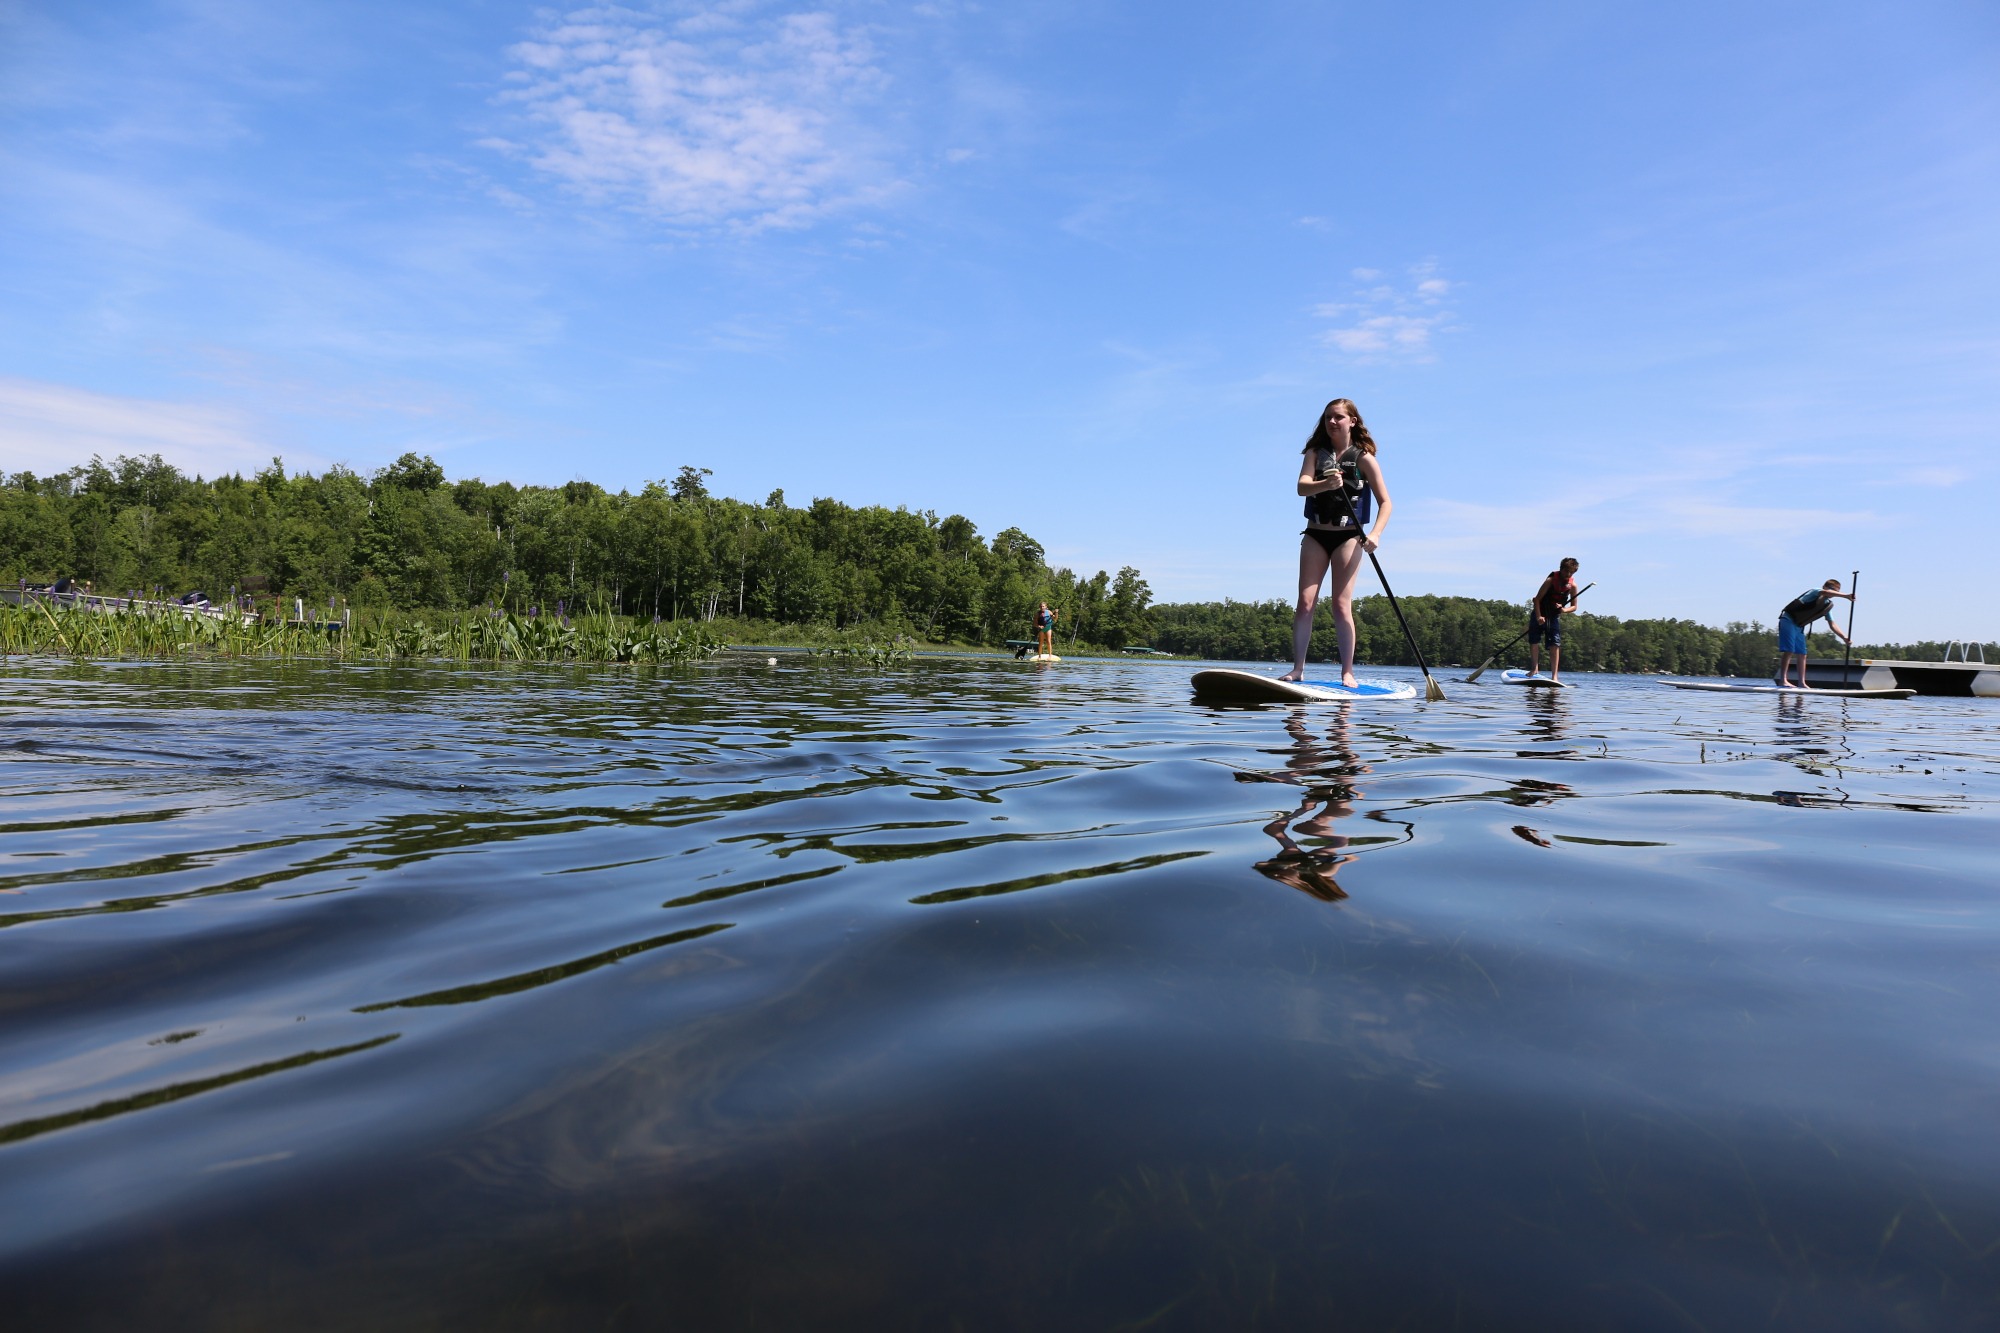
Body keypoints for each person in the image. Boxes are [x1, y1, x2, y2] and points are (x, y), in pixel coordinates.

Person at [1283, 398, 1392, 687]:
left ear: (1352, 422)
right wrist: (1326, 484)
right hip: (1316, 534)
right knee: (1305, 603)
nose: (1332, 422)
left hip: (1349, 537)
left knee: (1341, 605)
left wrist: (1376, 534)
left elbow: (1386, 503)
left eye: (1339, 417)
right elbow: (1301, 487)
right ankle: (1298, 669)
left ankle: (1347, 672)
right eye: (1328, 417)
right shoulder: (1315, 453)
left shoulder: (1364, 458)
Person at [1776, 579, 1854, 687]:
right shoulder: (1816, 591)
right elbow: (1825, 592)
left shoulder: (1826, 605)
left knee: (1802, 654)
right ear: (1825, 587)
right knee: (1789, 650)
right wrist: (1846, 596)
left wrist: (1844, 637)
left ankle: (1801, 682)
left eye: (1835, 591)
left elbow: (1832, 624)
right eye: (1832, 590)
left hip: (1799, 626)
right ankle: (1783, 680)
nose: (1833, 594)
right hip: (1788, 620)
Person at [1527, 558, 1581, 682]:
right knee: (1534, 640)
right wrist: (1538, 616)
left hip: (1553, 616)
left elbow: (1574, 607)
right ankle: (1534, 668)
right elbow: (1536, 599)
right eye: (1566, 572)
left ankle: (1554, 676)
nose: (1568, 575)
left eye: (1571, 573)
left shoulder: (1572, 585)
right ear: (1561, 569)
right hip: (1540, 612)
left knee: (1555, 644)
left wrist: (1563, 610)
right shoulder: (1550, 581)